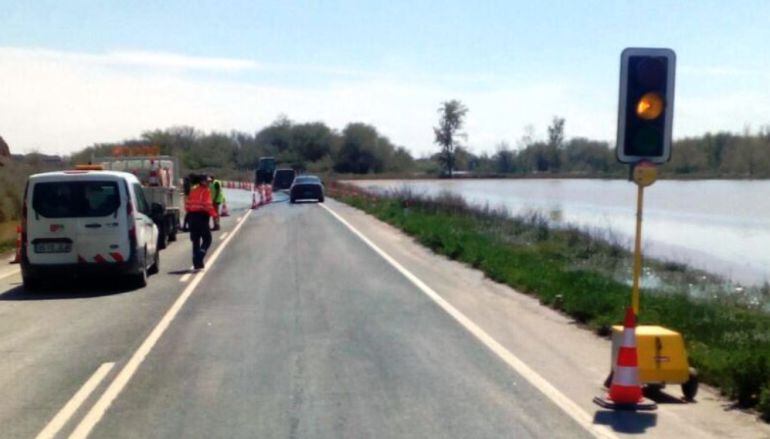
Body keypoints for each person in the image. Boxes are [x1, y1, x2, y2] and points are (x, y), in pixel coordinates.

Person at [185, 174, 218, 270]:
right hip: (202, 217)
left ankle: (197, 263)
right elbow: (208, 206)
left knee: (195, 241)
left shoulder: (193, 191)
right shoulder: (206, 191)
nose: (209, 183)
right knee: (207, 239)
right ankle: (200, 256)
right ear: (202, 181)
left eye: (209, 181)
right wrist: (215, 216)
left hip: (192, 217)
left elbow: (187, 206)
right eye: (207, 181)